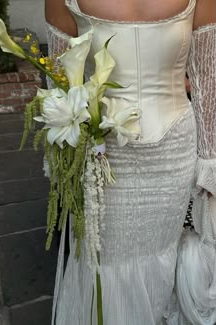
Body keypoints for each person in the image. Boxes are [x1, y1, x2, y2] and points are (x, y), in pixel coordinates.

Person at [44, 0, 216, 324]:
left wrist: (210, 164)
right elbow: (60, 86)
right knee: (104, 260)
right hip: (103, 156)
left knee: (162, 252)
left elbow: (208, 80)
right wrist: (64, 164)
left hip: (173, 151)